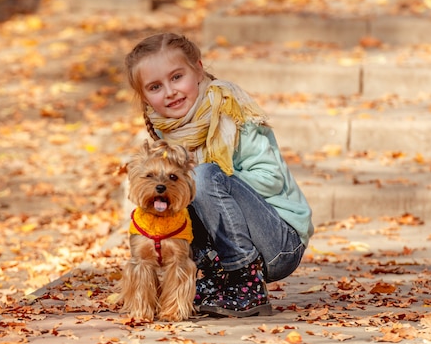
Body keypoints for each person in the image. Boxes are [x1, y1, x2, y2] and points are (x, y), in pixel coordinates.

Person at [124, 32, 314, 317]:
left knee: (199, 179)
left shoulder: (234, 113)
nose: (170, 92)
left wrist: (214, 179)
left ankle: (244, 281)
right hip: (221, 247)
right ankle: (213, 278)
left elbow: (270, 177)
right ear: (145, 97)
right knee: (179, 189)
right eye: (155, 87)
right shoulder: (165, 131)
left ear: (198, 69)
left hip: (278, 243)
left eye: (177, 77)